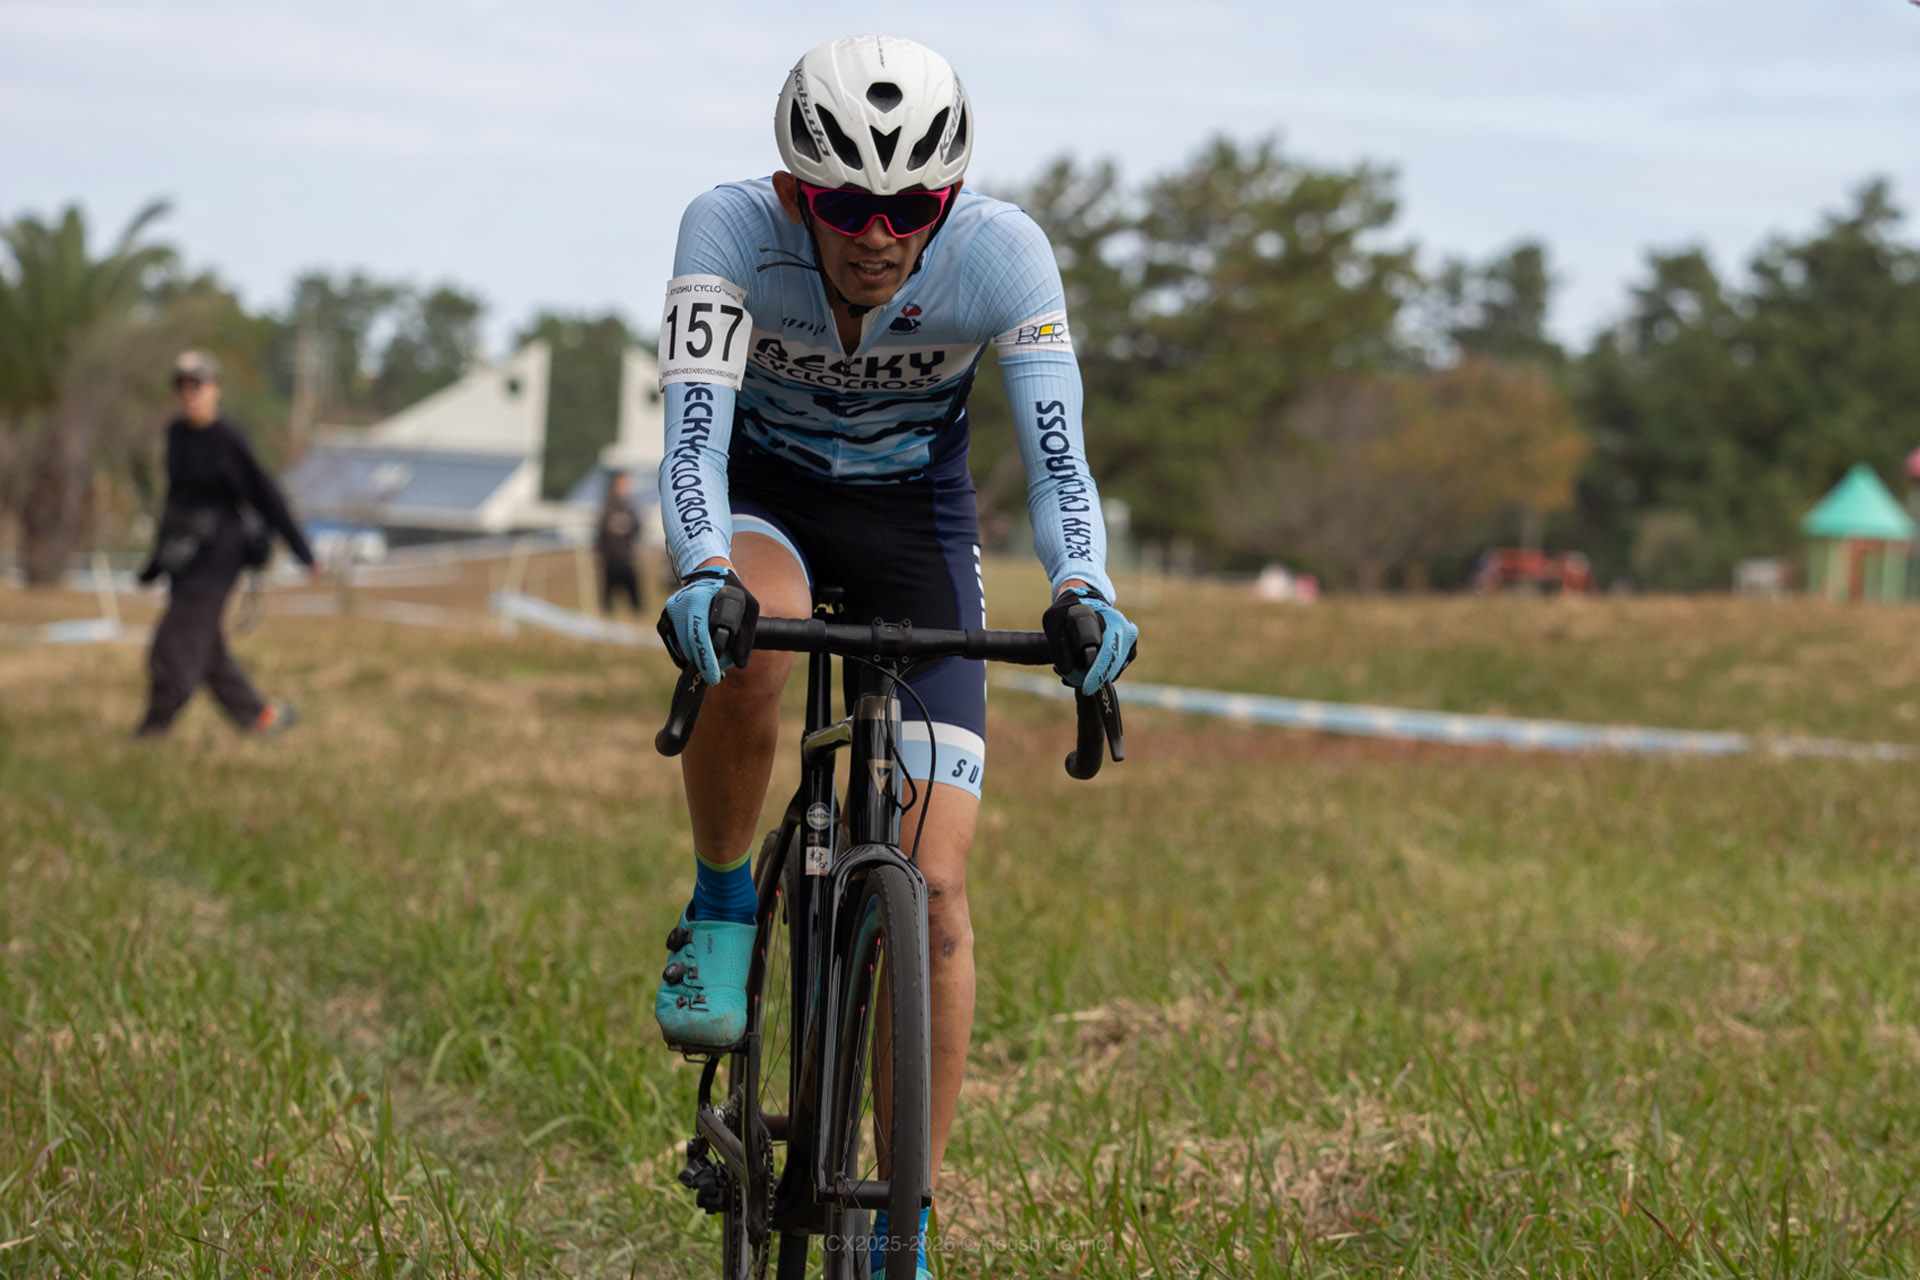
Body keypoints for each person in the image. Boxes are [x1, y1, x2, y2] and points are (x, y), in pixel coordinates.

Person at [650, 36, 1137, 1277]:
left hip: (914, 525)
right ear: (794, 191)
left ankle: (902, 1223)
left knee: (936, 891)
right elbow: (691, 445)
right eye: (846, 206)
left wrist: (1083, 588)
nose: (878, 234)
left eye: (912, 207)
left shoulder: (1005, 254)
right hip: (764, 504)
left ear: (950, 197)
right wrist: (701, 568)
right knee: (752, 635)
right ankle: (722, 899)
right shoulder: (727, 231)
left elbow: (1060, 463)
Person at [134, 350, 317, 739]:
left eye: (197, 385)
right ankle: (261, 719)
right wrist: (155, 563)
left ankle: (153, 730)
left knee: (172, 648)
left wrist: (303, 551)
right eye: (182, 387)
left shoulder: (228, 439)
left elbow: (267, 495)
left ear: (215, 389)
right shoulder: (176, 434)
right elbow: (174, 501)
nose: (189, 394)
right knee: (208, 651)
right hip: (184, 556)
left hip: (219, 558)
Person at [595, 469, 645, 615]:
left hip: (627, 559)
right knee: (607, 604)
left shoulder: (630, 509)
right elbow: (600, 534)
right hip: (610, 561)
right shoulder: (606, 508)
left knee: (637, 604)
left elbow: (638, 530)